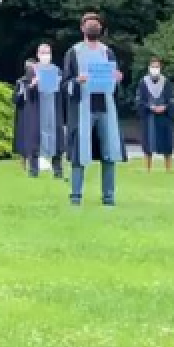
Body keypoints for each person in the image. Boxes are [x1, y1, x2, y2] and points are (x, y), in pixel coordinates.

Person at [63, 12, 125, 206]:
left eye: (96, 23)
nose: (93, 26)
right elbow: (65, 84)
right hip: (83, 109)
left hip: (105, 108)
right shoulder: (74, 52)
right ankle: (75, 196)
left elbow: (115, 85)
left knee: (109, 153)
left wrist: (117, 78)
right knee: (79, 154)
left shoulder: (107, 52)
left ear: (101, 28)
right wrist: (76, 80)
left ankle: (109, 197)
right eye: (89, 23)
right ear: (82, 28)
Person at [27, 43, 66, 178]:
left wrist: (61, 83)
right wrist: (33, 84)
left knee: (56, 138)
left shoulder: (57, 70)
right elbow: (27, 91)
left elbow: (63, 90)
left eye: (47, 52)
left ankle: (58, 170)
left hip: (53, 108)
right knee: (35, 139)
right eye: (43, 53)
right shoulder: (33, 70)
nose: (45, 55)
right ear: (38, 55)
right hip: (38, 109)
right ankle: (33, 170)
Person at [137, 57, 174, 173]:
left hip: (164, 117)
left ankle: (168, 169)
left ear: (160, 68)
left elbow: (171, 99)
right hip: (149, 116)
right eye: (153, 67)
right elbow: (140, 100)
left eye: (157, 67)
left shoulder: (166, 82)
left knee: (166, 142)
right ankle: (147, 169)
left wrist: (166, 107)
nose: (155, 69)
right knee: (148, 143)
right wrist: (150, 107)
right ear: (149, 68)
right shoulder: (143, 82)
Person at [13, 59, 37, 171]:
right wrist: (20, 93)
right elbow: (14, 99)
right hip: (23, 112)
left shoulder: (39, 81)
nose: (30, 69)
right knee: (23, 136)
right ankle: (23, 162)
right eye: (28, 67)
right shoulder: (20, 82)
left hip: (36, 111)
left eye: (31, 67)